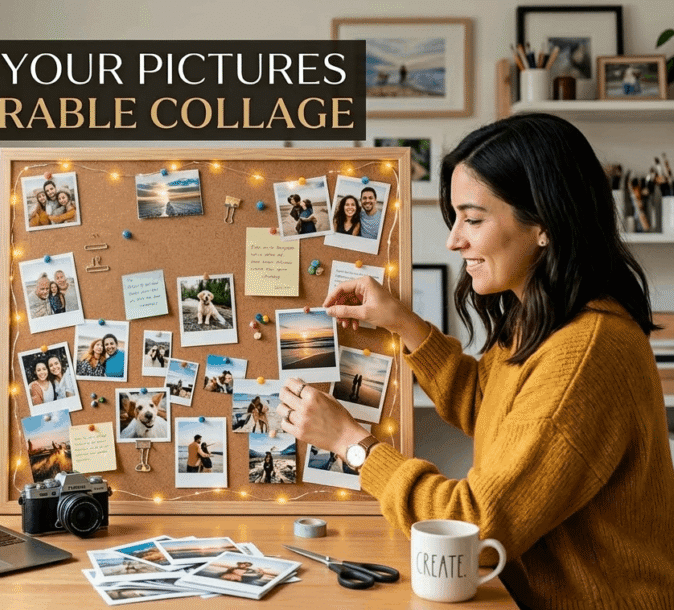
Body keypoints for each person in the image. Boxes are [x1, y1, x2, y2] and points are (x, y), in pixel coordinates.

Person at [276, 113, 674, 609]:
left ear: (544, 224)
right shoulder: (544, 318)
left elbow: (475, 525)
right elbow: (490, 406)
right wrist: (403, 322)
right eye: (456, 218)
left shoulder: (587, 349)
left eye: (474, 218)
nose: (453, 239)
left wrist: (351, 444)